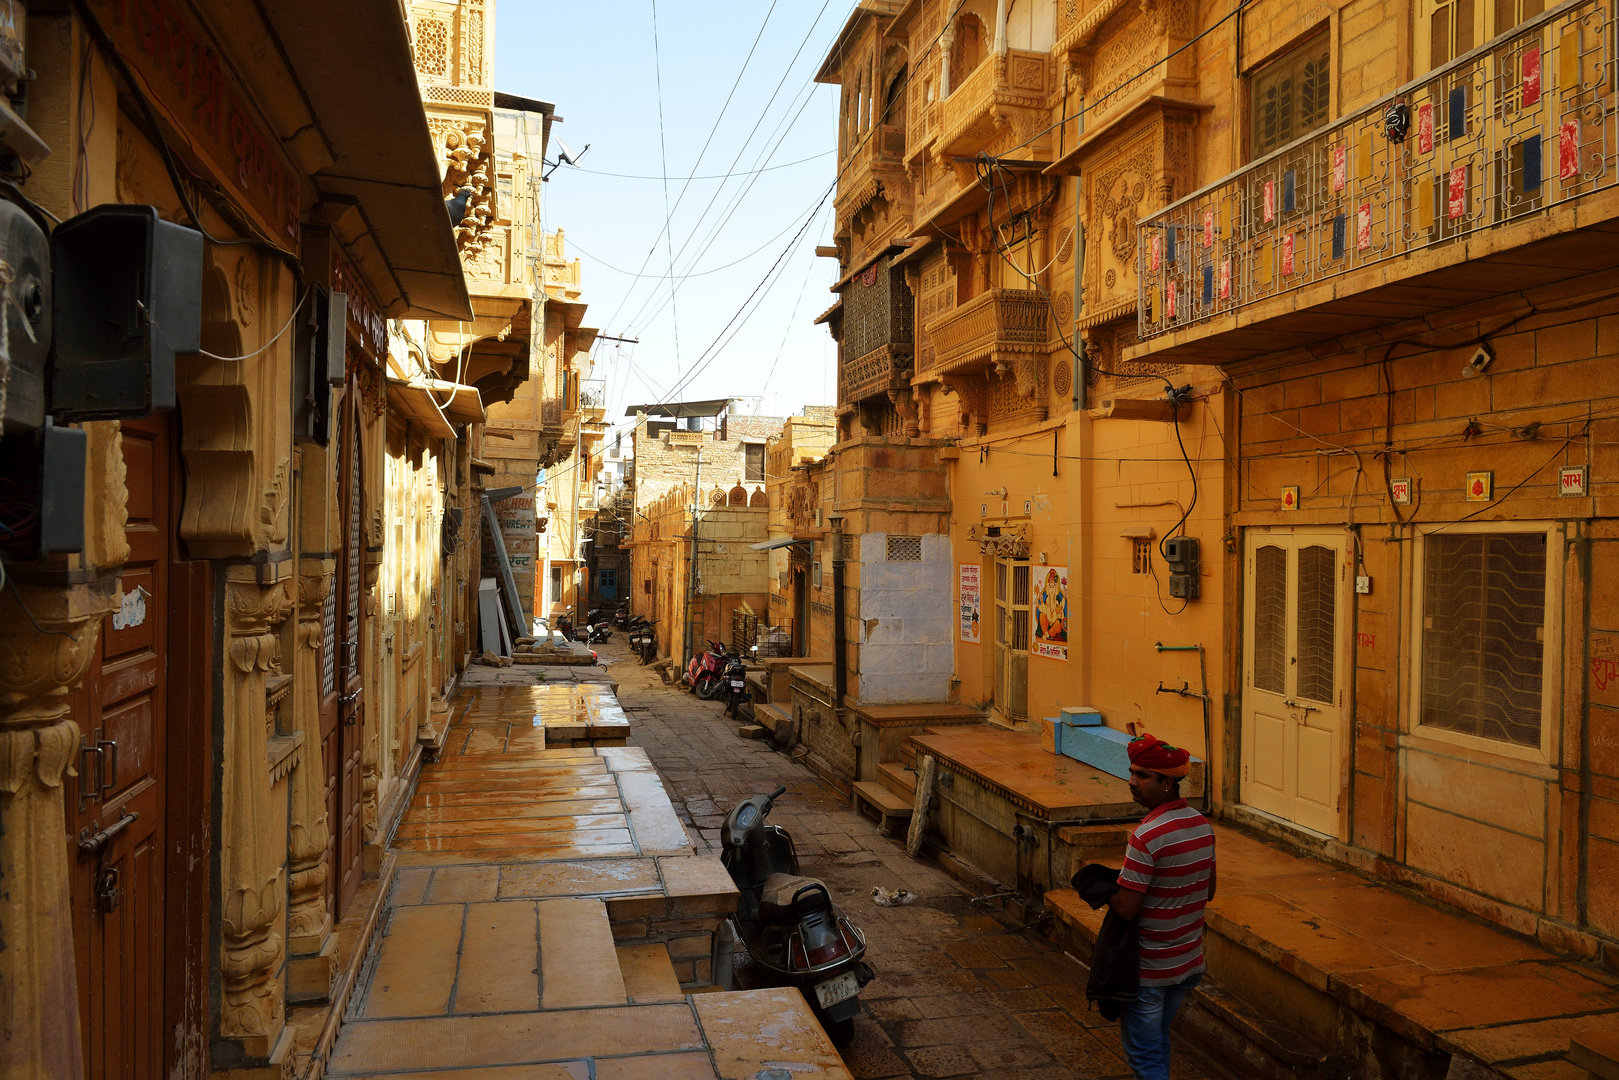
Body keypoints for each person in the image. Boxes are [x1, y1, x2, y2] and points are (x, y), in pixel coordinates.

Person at [1105, 733, 1216, 1080]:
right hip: (1187, 963)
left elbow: (1125, 908)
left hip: (1150, 970)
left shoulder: (1147, 835)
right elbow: (1208, 890)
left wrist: (1100, 886)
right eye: (1132, 773)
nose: (1132, 782)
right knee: (1158, 1042)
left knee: (1145, 1058)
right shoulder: (1202, 825)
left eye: (1142, 776)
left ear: (1167, 783)